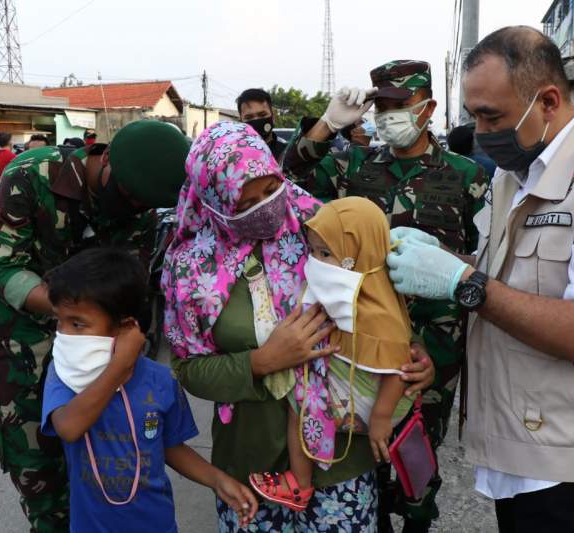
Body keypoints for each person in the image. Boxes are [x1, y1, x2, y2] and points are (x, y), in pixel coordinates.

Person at [388, 26, 574, 533]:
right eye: (474, 114)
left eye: (492, 116)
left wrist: (463, 283)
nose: (479, 133)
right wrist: (451, 259)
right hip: (524, 445)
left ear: (546, 100)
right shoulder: (517, 174)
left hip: (571, 461)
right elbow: (511, 274)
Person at [163, 121, 435, 532]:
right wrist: (260, 362)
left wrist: (413, 355)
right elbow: (189, 370)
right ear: (213, 200)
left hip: (341, 459)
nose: (265, 207)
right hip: (249, 465)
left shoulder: (323, 227)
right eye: (243, 202)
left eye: (271, 190)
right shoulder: (189, 269)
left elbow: (378, 299)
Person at [283, 60, 487, 532]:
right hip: (360, 345)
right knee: (361, 465)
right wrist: (326, 125)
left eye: (400, 104)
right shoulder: (350, 166)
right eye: (383, 105)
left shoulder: (467, 176)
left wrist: (435, 356)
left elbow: (481, 270)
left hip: (430, 353)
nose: (389, 114)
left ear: (428, 107)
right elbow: (286, 176)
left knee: (415, 465)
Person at [0, 120, 190, 532]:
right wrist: (74, 311)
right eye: (126, 194)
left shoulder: (138, 209)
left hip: (95, 344)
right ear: (105, 159)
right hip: (18, 343)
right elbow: (4, 268)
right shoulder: (31, 175)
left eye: (143, 204)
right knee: (39, 474)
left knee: (98, 467)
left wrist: (122, 336)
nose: (133, 208)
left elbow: (129, 281)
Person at [41, 247, 257, 532]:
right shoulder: (64, 373)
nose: (65, 334)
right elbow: (69, 427)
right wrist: (119, 367)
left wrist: (216, 479)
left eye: (78, 324)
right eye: (60, 321)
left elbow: (170, 447)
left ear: (126, 327)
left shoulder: (160, 381)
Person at [248, 197, 418, 511]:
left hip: (374, 407)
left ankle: (300, 483)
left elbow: (399, 367)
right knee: (300, 396)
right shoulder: (343, 288)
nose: (314, 261)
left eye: (325, 253)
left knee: (300, 399)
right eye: (311, 251)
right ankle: (301, 483)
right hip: (351, 396)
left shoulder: (379, 311)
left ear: (359, 254)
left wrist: (381, 418)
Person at [237, 88, 287, 160]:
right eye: (249, 117)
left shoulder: (286, 154)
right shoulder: (235, 156)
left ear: (273, 117)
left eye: (262, 115)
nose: (256, 120)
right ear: (241, 121)